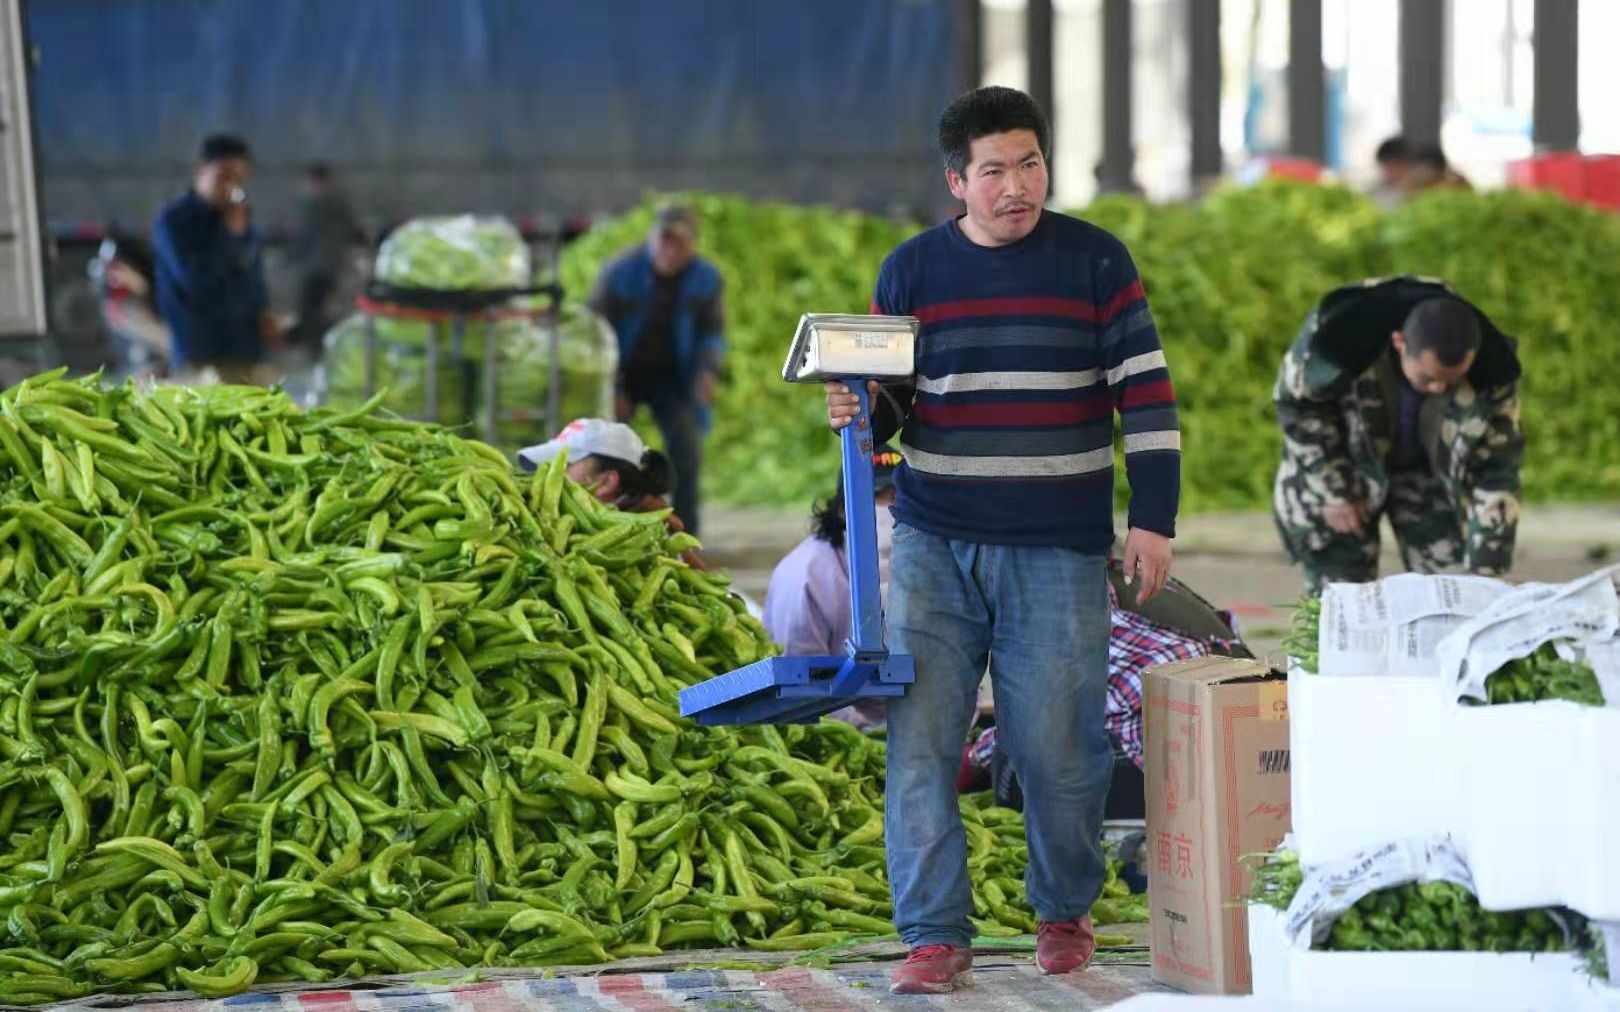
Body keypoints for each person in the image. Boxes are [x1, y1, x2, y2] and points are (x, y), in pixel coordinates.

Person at [824, 86, 1180, 993]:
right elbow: (894, 408)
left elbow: (1144, 394)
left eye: (1030, 164)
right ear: (957, 181)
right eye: (994, 171)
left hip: (1058, 548)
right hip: (935, 545)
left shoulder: (1097, 262)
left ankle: (1063, 908)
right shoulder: (911, 272)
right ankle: (934, 933)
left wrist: (1153, 521)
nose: (1017, 186)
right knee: (921, 743)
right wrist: (856, 406)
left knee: (1059, 745)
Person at [1273, 277, 1523, 591]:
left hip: (1428, 475)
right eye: (1428, 378)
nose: (1439, 389)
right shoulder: (1336, 340)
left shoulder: (1492, 373)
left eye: (1452, 380)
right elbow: (1298, 407)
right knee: (1341, 599)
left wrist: (1487, 572)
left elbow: (1497, 471)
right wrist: (1334, 489)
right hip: (1345, 464)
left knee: (1456, 592)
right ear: (1399, 343)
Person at [588, 204, 725, 538]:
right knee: (606, 453)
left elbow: (712, 334)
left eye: (679, 244)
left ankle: (685, 535)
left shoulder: (706, 279)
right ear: (650, 240)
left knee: (686, 451)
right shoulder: (619, 273)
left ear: (692, 245)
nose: (669, 251)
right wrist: (613, 388)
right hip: (621, 372)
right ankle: (602, 524)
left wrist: (707, 371)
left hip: (675, 378)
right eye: (663, 242)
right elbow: (593, 334)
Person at [761, 445, 901, 730]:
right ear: (842, 510)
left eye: (898, 496)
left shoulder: (930, 563)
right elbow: (799, 686)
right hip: (837, 732)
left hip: (915, 726)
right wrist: (864, 730)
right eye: (875, 496)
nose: (889, 508)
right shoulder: (807, 576)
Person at [152, 134, 280, 382]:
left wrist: (264, 313)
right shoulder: (175, 221)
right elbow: (195, 278)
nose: (232, 189)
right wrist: (231, 235)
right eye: (224, 178)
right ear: (200, 171)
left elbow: (251, 273)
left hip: (246, 350)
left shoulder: (239, 218)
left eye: (239, 180)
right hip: (202, 352)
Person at [517, 418, 703, 568]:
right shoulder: (536, 520)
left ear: (606, 482)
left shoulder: (653, 546)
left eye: (564, 466)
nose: (543, 477)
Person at [289, 162, 365, 352]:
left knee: (310, 308)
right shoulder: (339, 201)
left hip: (317, 265)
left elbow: (304, 235)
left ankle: (315, 347)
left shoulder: (315, 202)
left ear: (315, 181)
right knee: (318, 306)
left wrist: (291, 256)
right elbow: (354, 230)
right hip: (332, 264)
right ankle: (319, 345)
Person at [1372, 136, 1413, 206]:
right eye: (1384, 166)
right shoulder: (1378, 189)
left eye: (1391, 166)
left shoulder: (1415, 189)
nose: (1386, 171)